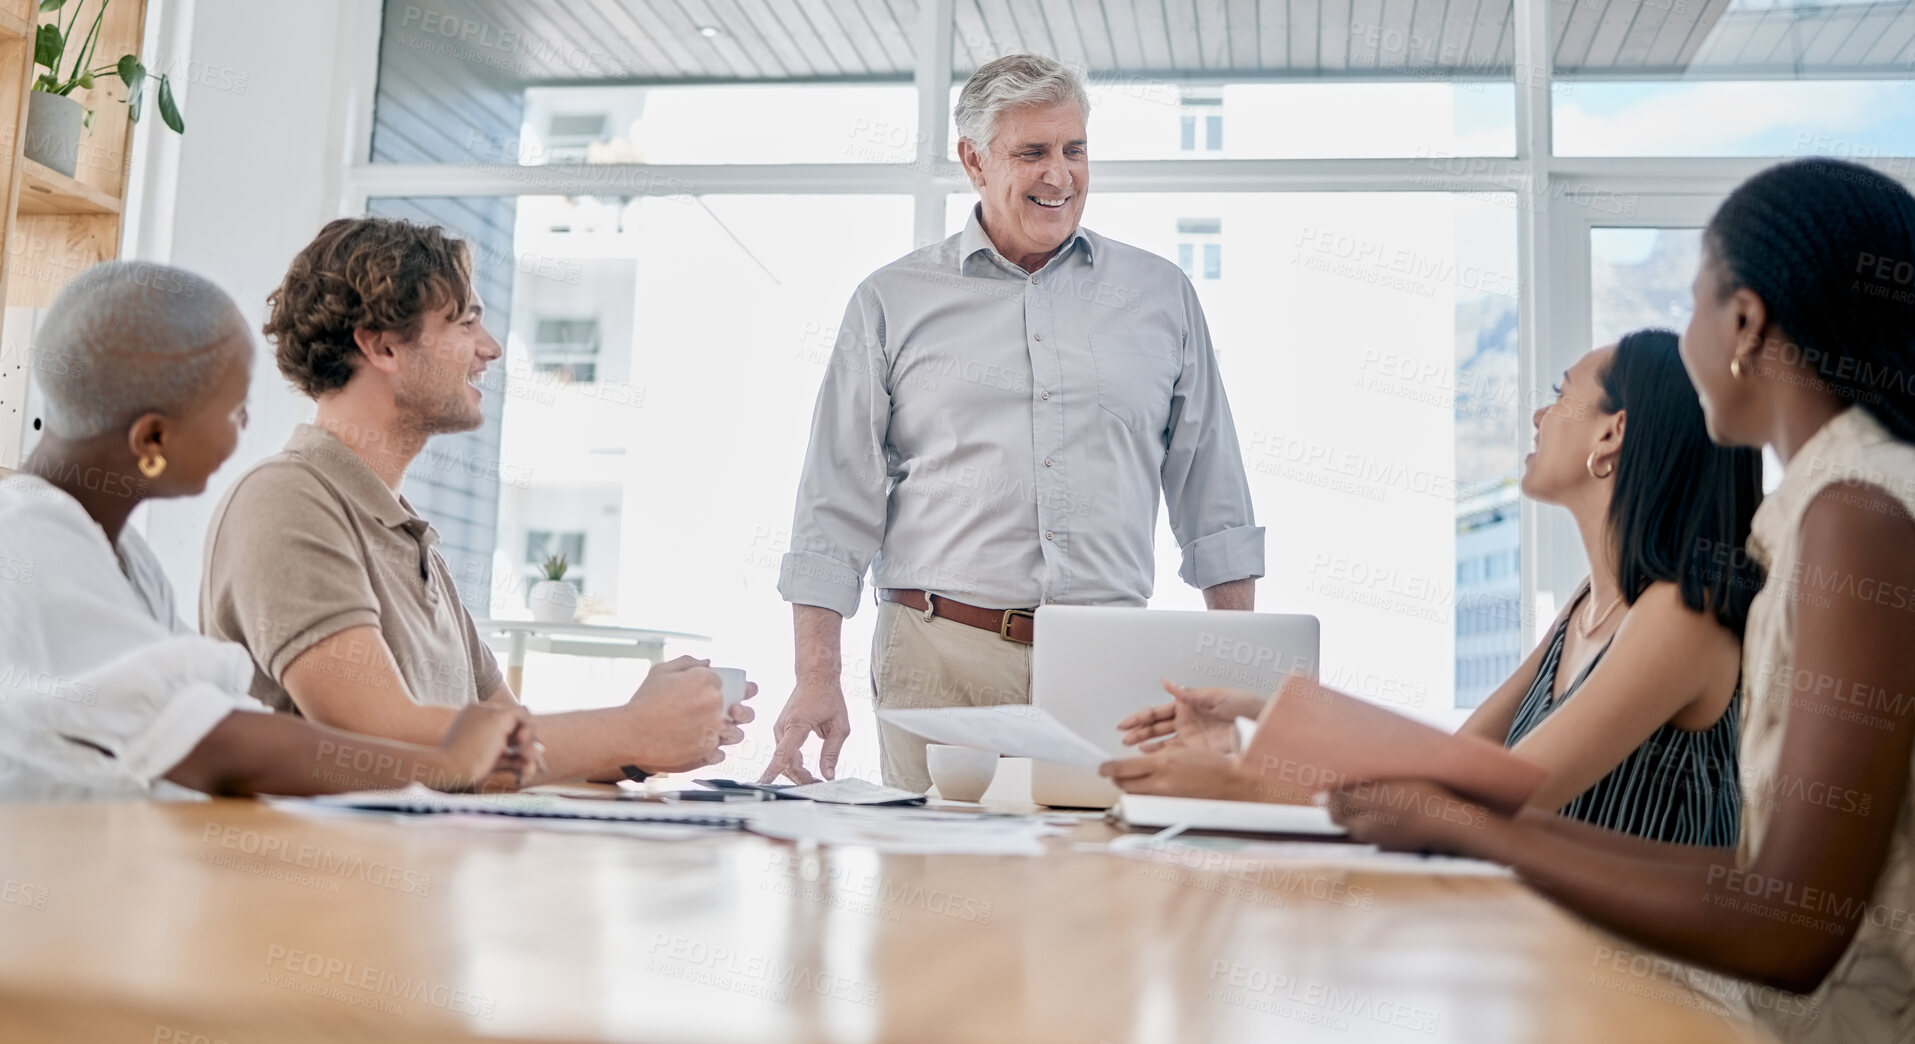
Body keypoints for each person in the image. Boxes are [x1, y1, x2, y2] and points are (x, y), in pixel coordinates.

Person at [1327, 157, 1915, 1043]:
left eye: (1692, 304)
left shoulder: (1855, 514)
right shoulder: (1837, 507)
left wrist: (1479, 831)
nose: (1682, 336)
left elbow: (1790, 924)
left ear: (1745, 323)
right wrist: (1462, 823)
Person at [763, 53, 1265, 791]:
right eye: (1031, 153)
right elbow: (833, 504)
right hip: (938, 658)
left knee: (1096, 889)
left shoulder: (1161, 295)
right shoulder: (890, 301)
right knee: (930, 895)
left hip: (1110, 661)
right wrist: (815, 676)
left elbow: (1212, 496)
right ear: (973, 160)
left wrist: (1231, 683)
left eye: (1073, 150)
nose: (1059, 175)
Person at [1106, 331, 1764, 849]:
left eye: (1559, 395)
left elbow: (1490, 801)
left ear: (1610, 433)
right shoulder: (1585, 607)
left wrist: (1237, 787)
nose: (1538, 414)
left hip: (1644, 987)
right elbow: (1456, 762)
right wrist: (1258, 719)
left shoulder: (1679, 615)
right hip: (1554, 941)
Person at [200, 217, 746, 784]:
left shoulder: (411, 542)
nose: (490, 349)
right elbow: (379, 741)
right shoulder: (286, 501)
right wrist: (631, 728)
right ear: (382, 345)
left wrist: (649, 744)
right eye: (464, 323)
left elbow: (515, 749)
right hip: (323, 872)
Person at [0, 260, 536, 801]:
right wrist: (440, 762)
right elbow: (217, 745)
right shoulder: (31, 541)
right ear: (154, 439)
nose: (248, 426)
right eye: (237, 410)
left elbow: (221, 712)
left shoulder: (122, 558)